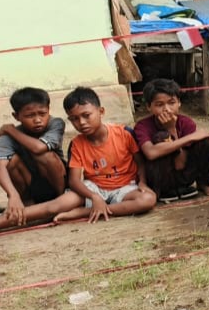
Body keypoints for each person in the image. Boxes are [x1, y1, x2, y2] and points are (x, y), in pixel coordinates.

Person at [54, 87, 157, 223]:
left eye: (86, 115)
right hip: (94, 189)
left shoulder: (124, 133)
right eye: (74, 119)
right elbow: (74, 181)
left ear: (101, 111)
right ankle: (23, 215)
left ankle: (84, 212)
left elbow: (140, 163)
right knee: (58, 205)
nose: (82, 122)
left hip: (125, 188)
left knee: (148, 199)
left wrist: (142, 182)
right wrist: (94, 196)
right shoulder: (76, 144)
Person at [0, 87, 80, 230]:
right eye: (30, 115)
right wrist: (13, 195)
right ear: (16, 116)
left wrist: (11, 130)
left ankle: (61, 198)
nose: (37, 120)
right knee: (11, 162)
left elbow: (39, 148)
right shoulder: (7, 138)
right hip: (30, 184)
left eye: (42, 113)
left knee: (45, 154)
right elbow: (0, 166)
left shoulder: (55, 124)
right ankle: (26, 202)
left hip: (56, 182)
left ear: (49, 110)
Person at [132, 78, 209, 201]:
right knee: (162, 137)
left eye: (171, 103)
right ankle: (164, 191)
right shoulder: (142, 126)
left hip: (183, 173)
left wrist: (172, 131)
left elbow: (180, 164)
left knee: (208, 141)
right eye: (159, 105)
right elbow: (150, 153)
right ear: (149, 107)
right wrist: (184, 135)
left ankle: (203, 183)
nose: (167, 109)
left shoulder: (186, 123)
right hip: (159, 177)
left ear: (179, 103)